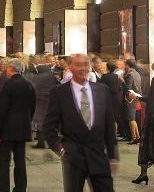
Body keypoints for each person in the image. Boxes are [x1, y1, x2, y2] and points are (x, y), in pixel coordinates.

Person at [43, 54, 118, 192]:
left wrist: (113, 156)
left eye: (85, 64)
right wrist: (60, 148)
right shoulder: (59, 92)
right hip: (73, 157)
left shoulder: (102, 90)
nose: (82, 68)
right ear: (70, 67)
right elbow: (49, 125)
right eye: (78, 65)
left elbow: (109, 125)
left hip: (98, 155)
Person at [0, 58, 36, 192]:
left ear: (11, 68)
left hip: (7, 128)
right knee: (20, 160)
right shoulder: (29, 85)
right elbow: (33, 107)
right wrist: (27, 121)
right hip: (23, 127)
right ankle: (21, 188)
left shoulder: (8, 85)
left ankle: (3, 187)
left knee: (4, 160)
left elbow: (2, 109)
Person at [131, 59, 154, 185]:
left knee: (147, 143)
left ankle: (143, 174)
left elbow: (150, 99)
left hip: (153, 115)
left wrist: (137, 96)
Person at [30, 55, 59, 149]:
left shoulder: (36, 74)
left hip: (38, 98)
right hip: (48, 98)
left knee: (39, 121)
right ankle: (44, 142)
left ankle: (41, 142)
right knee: (45, 120)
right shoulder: (50, 74)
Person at [98, 62, 124, 134]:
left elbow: (99, 86)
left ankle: (109, 134)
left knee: (108, 117)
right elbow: (123, 84)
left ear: (107, 68)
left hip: (107, 99)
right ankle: (114, 135)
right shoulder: (117, 76)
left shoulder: (104, 76)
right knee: (115, 118)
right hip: (116, 98)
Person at [124, 59, 142, 144]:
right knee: (133, 118)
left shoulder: (130, 74)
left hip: (131, 98)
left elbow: (128, 87)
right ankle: (137, 137)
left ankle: (134, 137)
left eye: (125, 64)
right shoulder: (137, 73)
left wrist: (128, 98)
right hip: (137, 97)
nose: (125, 66)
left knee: (131, 118)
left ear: (128, 65)